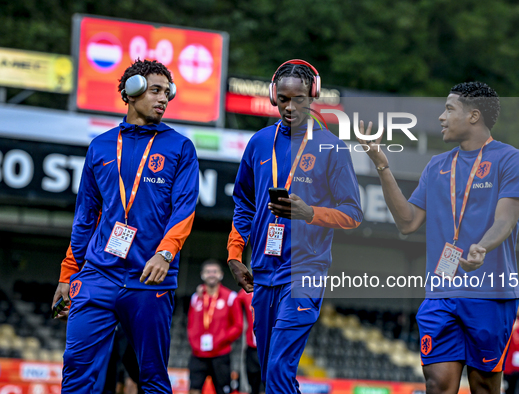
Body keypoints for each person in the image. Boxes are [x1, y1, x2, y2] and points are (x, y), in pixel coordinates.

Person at [358, 81, 519, 394]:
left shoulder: (511, 159)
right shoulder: (437, 165)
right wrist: (381, 164)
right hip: (441, 293)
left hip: (490, 296)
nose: (441, 117)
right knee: (437, 385)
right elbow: (407, 222)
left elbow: (506, 218)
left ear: (474, 116)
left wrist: (482, 246)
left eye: (449, 109)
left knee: (484, 387)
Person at [51, 59, 199, 394]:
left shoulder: (180, 148)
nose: (163, 99)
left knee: (151, 378)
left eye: (167, 92)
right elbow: (85, 216)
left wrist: (165, 254)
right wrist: (67, 274)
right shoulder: (100, 147)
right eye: (155, 90)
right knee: (76, 371)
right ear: (131, 92)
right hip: (97, 276)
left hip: (149, 278)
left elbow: (184, 210)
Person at [227, 59, 363, 393]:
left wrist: (309, 213)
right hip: (262, 271)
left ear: (313, 96)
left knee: (277, 368)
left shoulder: (332, 147)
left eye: (299, 99)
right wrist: (234, 253)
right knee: (271, 373)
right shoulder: (259, 143)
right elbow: (243, 203)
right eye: (284, 98)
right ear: (274, 96)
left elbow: (353, 214)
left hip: (305, 273)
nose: (291, 106)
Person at [187, 260, 242, 394]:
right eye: (208, 271)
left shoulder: (230, 297)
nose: (211, 274)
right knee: (193, 389)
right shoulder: (196, 297)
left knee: (223, 390)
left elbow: (238, 325)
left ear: (221, 275)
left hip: (221, 354)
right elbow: (191, 324)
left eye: (215, 271)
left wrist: (221, 340)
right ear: (202, 275)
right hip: (198, 354)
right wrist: (195, 344)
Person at [236, 288, 265, 394]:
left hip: (269, 350)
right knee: (253, 388)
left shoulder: (276, 288)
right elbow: (233, 300)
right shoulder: (247, 291)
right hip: (252, 349)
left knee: (265, 388)